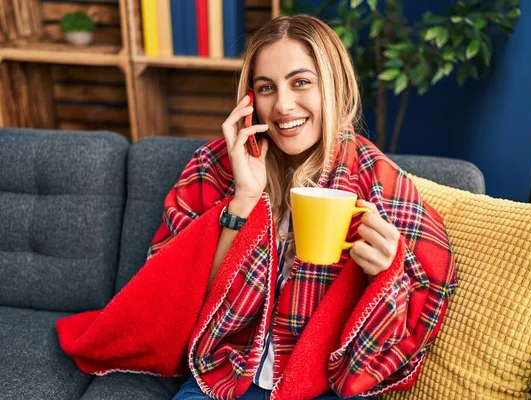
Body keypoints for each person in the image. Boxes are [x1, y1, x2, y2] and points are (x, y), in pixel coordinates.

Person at [55, 13, 456, 400]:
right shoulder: (213, 168)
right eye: (266, 88)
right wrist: (244, 200)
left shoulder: (378, 182)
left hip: (322, 385)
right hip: (224, 375)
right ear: (250, 99)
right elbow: (175, 300)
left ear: (334, 86)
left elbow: (418, 306)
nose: (282, 105)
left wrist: (386, 275)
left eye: (300, 82)